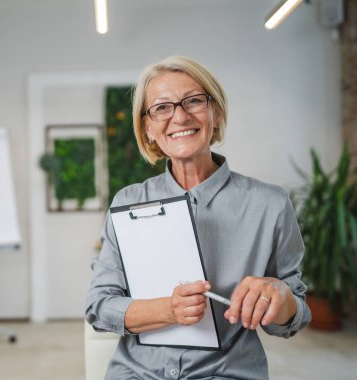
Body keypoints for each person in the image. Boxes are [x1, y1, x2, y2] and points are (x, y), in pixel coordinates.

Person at [86, 56, 311, 380]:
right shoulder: (128, 202)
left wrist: (280, 298)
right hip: (136, 373)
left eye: (193, 101)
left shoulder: (270, 204)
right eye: (162, 107)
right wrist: (168, 310)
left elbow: (295, 316)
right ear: (147, 128)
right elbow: (99, 306)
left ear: (215, 114)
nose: (179, 116)